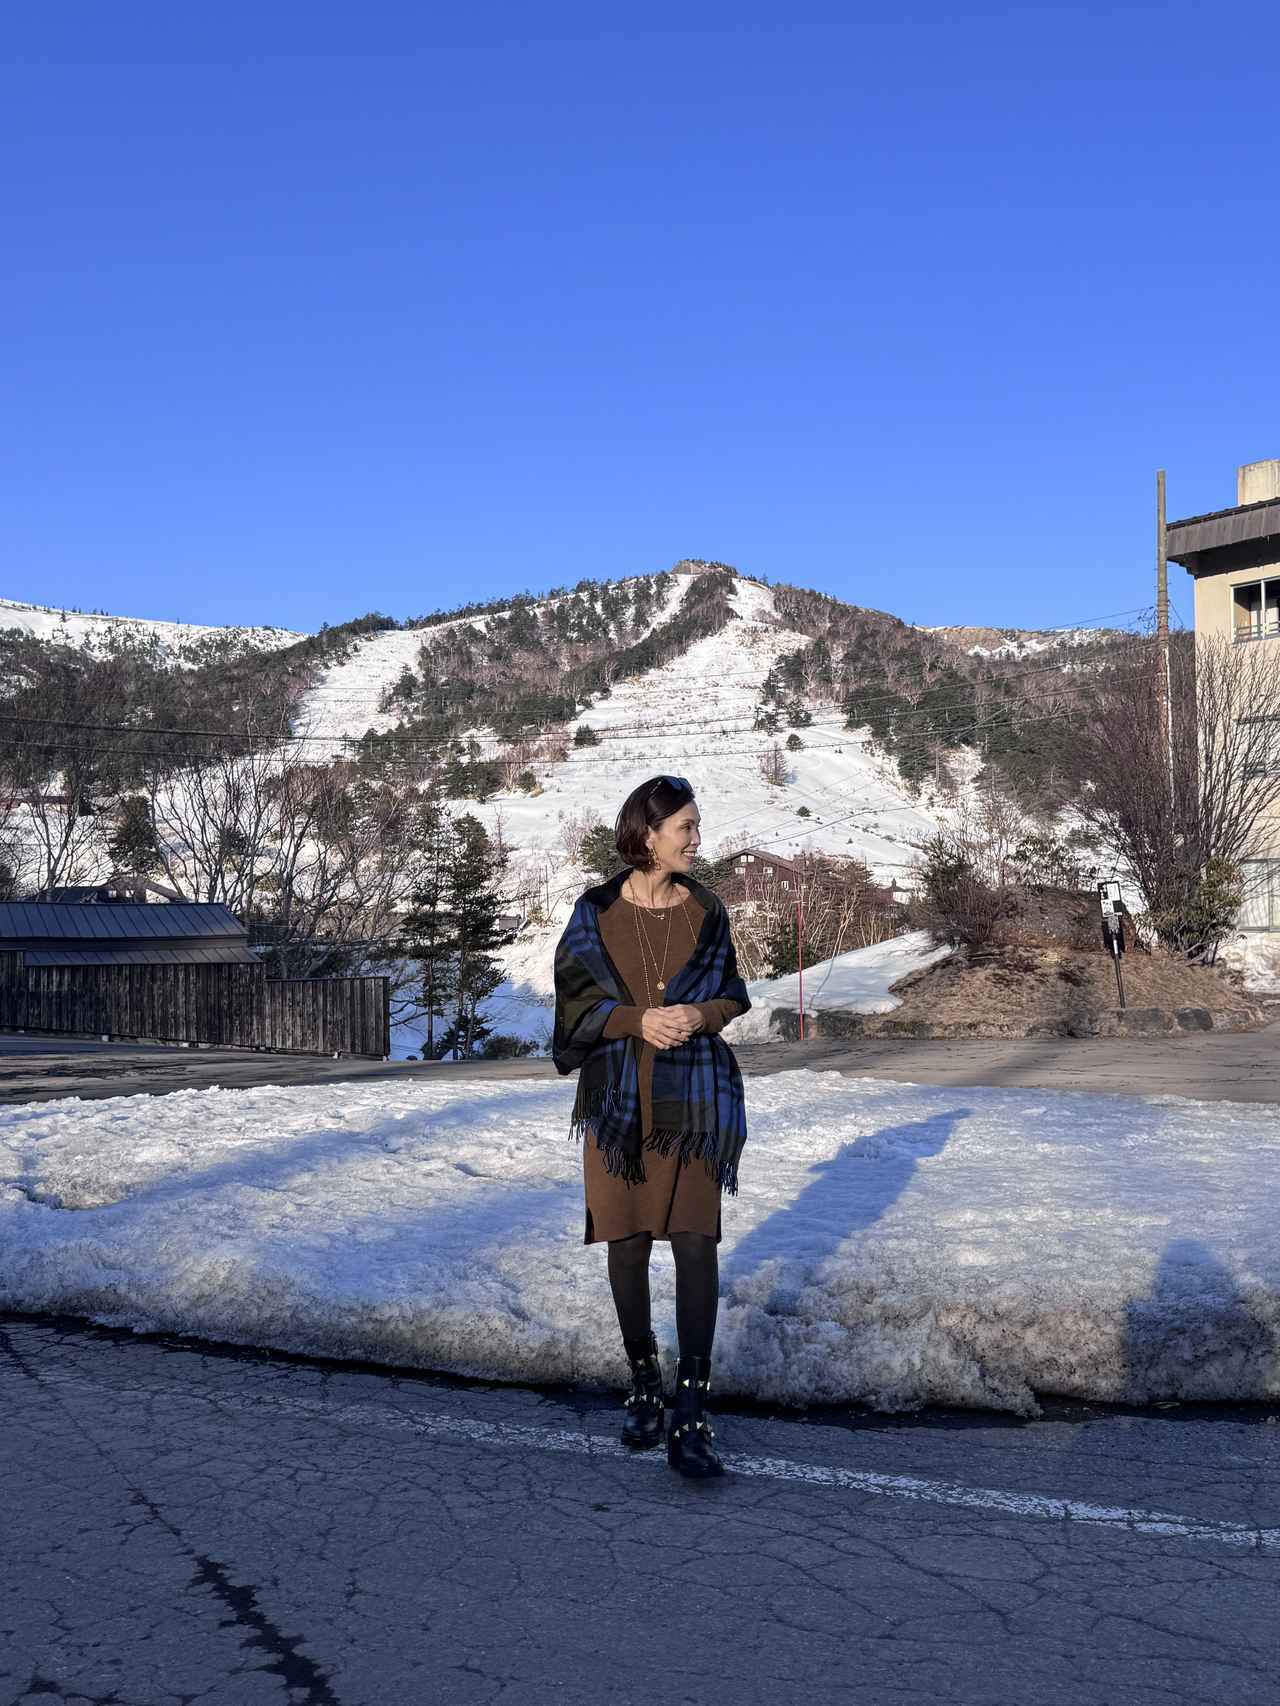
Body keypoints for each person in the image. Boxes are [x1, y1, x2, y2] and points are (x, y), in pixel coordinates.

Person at [552, 775, 751, 1478]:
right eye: (686, 828)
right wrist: (637, 1020)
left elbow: (733, 993)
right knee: (629, 1242)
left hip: (694, 1096)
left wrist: (701, 1016)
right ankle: (643, 1384)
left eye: (697, 827)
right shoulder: (596, 910)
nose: (697, 840)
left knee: (696, 1243)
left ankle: (691, 1410)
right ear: (647, 834)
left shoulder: (706, 909)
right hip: (618, 1096)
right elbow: (575, 1008)